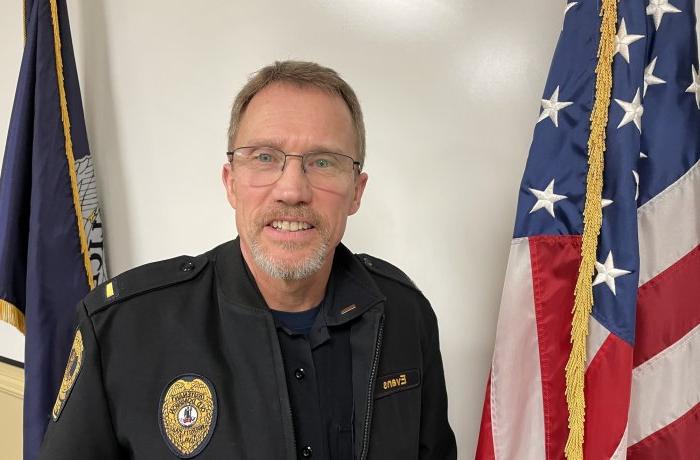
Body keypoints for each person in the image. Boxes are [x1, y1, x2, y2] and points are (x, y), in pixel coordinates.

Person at [39, 60, 457, 459]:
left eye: (323, 161)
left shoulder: (406, 315)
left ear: (357, 192)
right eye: (264, 158)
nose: (292, 190)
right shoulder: (122, 329)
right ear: (231, 183)